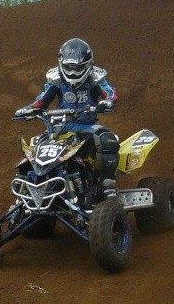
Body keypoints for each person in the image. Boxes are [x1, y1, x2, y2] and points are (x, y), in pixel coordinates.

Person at [15, 37, 120, 199]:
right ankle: (29, 192)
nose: (72, 72)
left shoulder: (95, 77)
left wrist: (107, 102)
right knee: (34, 147)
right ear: (61, 64)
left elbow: (110, 92)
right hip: (60, 128)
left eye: (77, 67)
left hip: (86, 127)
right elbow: (41, 101)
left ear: (87, 64)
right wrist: (28, 109)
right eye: (68, 67)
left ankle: (108, 186)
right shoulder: (55, 79)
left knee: (108, 139)